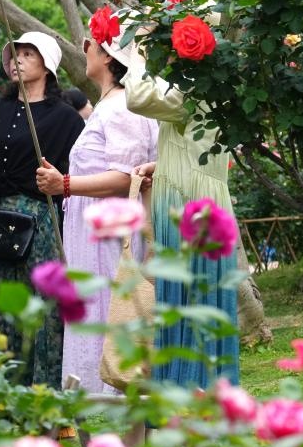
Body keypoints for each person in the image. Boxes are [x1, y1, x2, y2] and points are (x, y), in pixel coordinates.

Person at [35, 33, 159, 394]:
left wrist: (66, 184)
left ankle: (119, 418)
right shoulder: (108, 104)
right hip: (93, 238)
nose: (84, 48)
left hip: (111, 238)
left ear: (107, 56)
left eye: (89, 43)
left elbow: (127, 175)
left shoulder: (122, 107)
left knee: (110, 320)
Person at [0, 32, 84, 388]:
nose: (18, 59)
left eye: (27, 53)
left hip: (44, 220)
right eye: (15, 54)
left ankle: (45, 393)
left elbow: (76, 175)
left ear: (47, 65)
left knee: (44, 308)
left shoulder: (66, 118)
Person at [123, 68, 240, 388]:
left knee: (188, 301)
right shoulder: (217, 77)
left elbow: (138, 97)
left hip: (188, 201)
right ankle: (206, 396)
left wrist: (139, 52)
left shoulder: (194, 80)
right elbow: (195, 144)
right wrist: (160, 165)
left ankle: (187, 394)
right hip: (200, 193)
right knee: (200, 300)